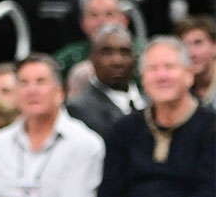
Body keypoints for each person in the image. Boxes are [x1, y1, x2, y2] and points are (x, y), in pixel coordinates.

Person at [0, 54, 105, 197]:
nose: (32, 90)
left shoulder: (85, 144)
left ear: (59, 92)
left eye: (40, 82)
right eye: (24, 83)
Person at [99, 36, 216, 197]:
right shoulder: (124, 130)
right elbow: (110, 191)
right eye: (152, 68)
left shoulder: (211, 127)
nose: (161, 76)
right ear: (142, 78)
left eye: (170, 67)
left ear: (189, 75)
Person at [66, 24, 144, 138]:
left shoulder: (151, 100)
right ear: (92, 58)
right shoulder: (78, 109)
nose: (117, 61)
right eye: (107, 53)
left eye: (125, 52)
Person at [175, 16, 216, 107]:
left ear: (214, 47)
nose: (191, 53)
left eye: (198, 43)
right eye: (184, 45)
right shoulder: (179, 88)